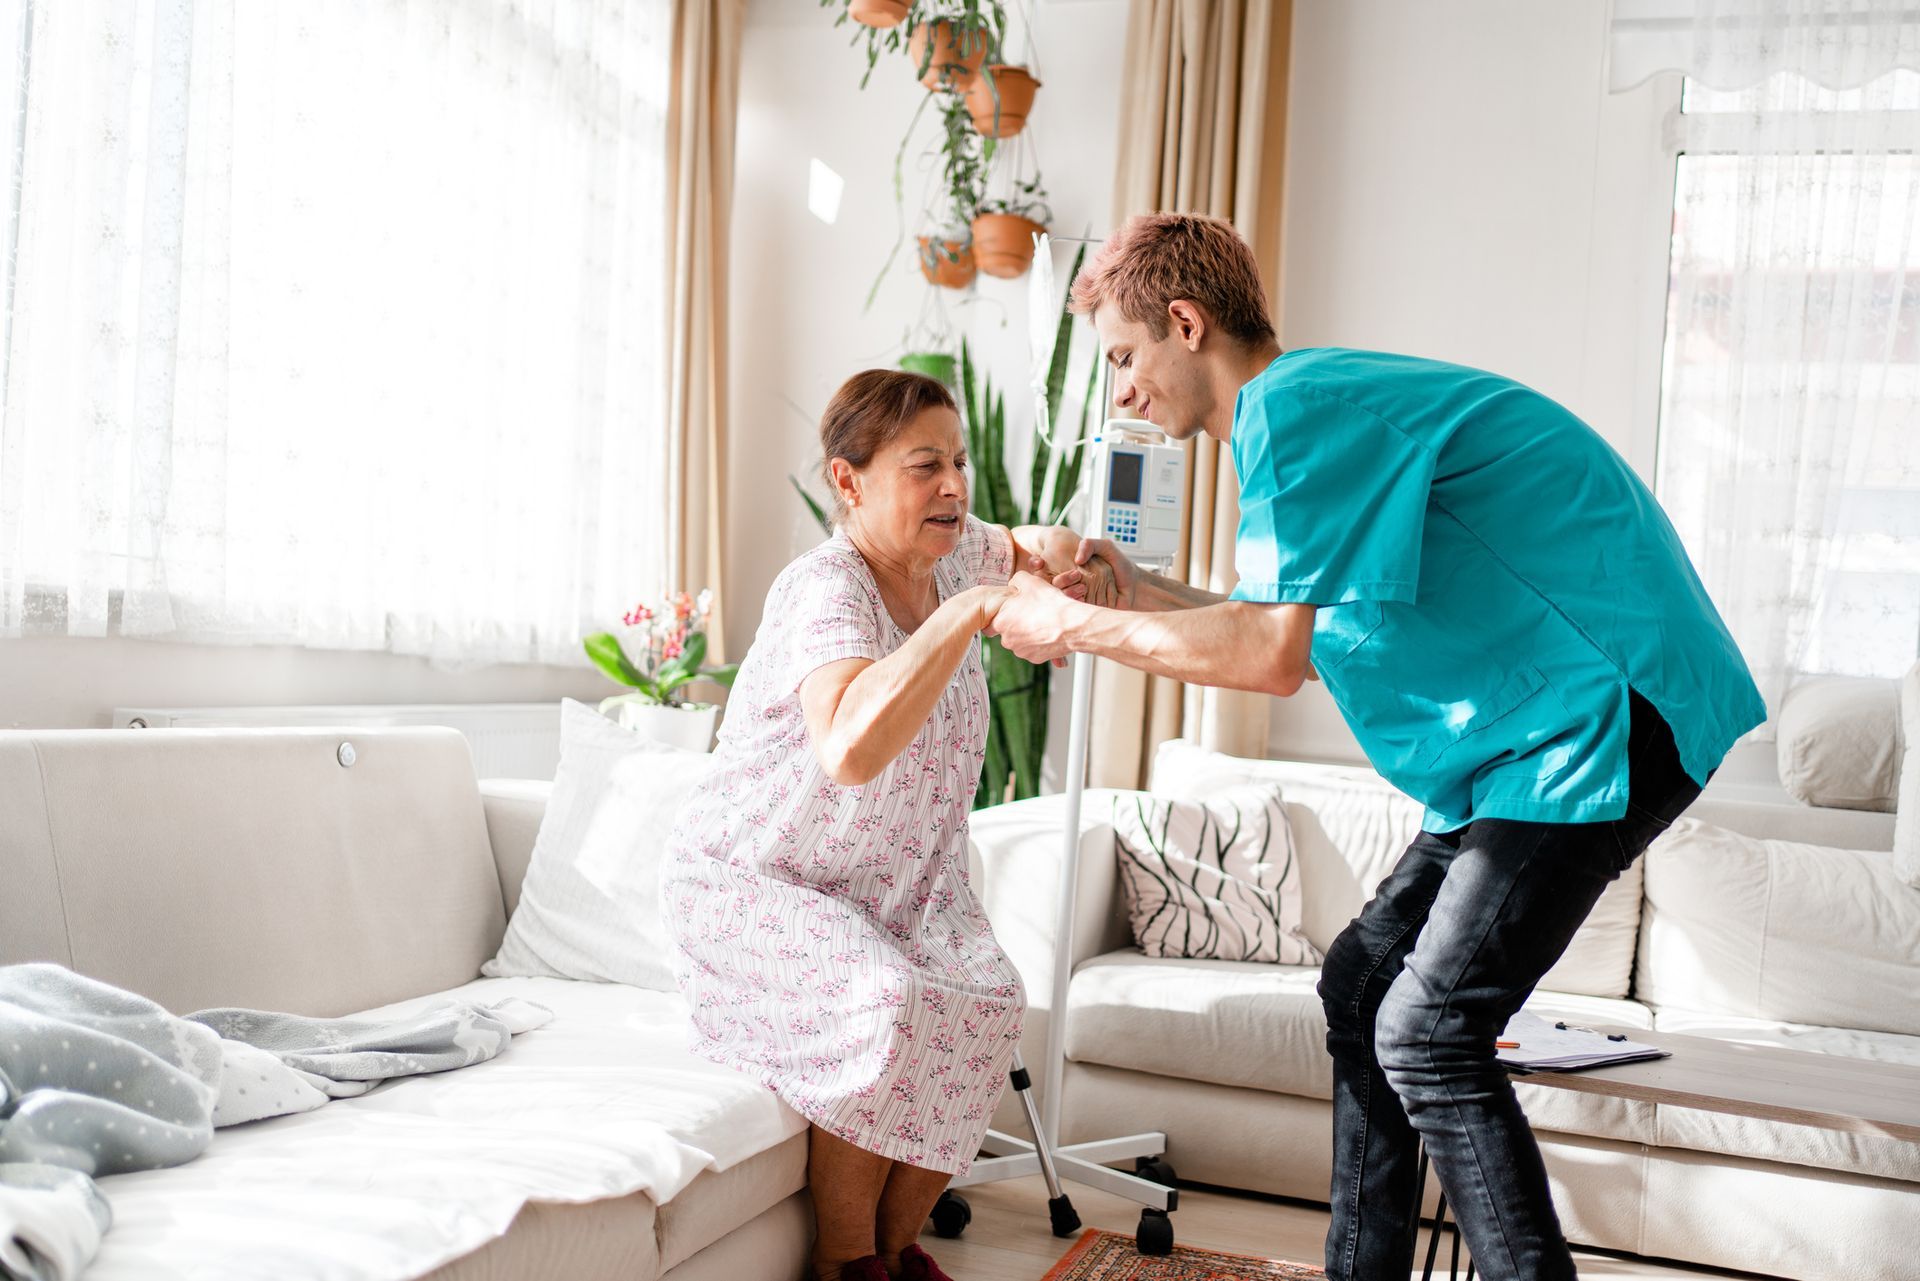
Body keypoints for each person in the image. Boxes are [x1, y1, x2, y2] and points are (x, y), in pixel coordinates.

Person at [993, 213, 1766, 1281]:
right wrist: (1140, 594)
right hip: (1527, 745)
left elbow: (1266, 655)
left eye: (1125, 358)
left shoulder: (1294, 411)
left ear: (1185, 322)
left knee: (1430, 1032)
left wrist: (1075, 626)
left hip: (1611, 712)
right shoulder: (1315, 413)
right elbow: (1294, 640)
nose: (1122, 391)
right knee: (1363, 983)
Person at [661, 368, 1113, 1281]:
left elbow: (1028, 542)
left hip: (896, 892)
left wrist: (1071, 559)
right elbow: (850, 747)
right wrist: (969, 611)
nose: (953, 484)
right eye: (923, 466)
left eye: (957, 460)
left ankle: (897, 1254)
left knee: (988, 1004)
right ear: (848, 481)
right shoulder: (824, 588)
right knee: (890, 1002)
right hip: (760, 883)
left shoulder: (952, 550)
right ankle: (845, 1263)